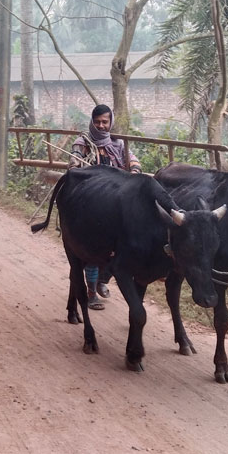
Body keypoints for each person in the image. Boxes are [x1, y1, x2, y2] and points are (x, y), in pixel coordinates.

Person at [69, 104, 141, 310]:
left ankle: (103, 280)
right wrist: (81, 167)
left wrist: (134, 171)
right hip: (92, 202)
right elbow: (74, 165)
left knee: (120, 246)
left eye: (105, 122)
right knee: (94, 247)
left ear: (110, 123)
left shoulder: (118, 144)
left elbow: (133, 160)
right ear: (92, 122)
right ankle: (91, 292)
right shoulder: (82, 143)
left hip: (115, 201)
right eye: (98, 122)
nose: (101, 126)